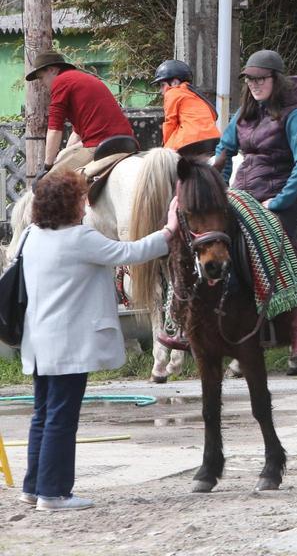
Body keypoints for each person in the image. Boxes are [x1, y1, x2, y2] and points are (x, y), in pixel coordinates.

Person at [19, 171, 178, 511]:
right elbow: (130, 252)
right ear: (70, 205)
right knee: (62, 416)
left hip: (37, 341)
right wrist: (170, 230)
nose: (84, 205)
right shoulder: (80, 238)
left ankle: (33, 487)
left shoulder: (30, 235)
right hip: (68, 346)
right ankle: (54, 493)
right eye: (80, 200)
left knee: (43, 414)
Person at [212, 50, 297, 358]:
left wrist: (281, 199)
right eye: (250, 80)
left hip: (280, 198)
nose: (255, 85)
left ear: (276, 80)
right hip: (243, 195)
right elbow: (224, 149)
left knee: (277, 243)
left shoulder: (295, 115)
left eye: (261, 79)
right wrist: (215, 179)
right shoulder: (244, 114)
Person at [25, 51, 134, 178]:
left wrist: (47, 167)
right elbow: (77, 133)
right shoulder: (79, 79)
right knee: (63, 156)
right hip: (127, 140)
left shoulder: (61, 82)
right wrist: (65, 154)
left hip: (101, 143)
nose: (42, 84)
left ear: (52, 70)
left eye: (41, 78)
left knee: (47, 184)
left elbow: (54, 129)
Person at [153, 59, 221, 159]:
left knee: (162, 160)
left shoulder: (172, 93)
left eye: (163, 85)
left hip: (190, 142)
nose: (161, 90)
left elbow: (170, 123)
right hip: (213, 140)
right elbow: (214, 115)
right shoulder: (195, 95)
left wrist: (165, 148)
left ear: (175, 82)